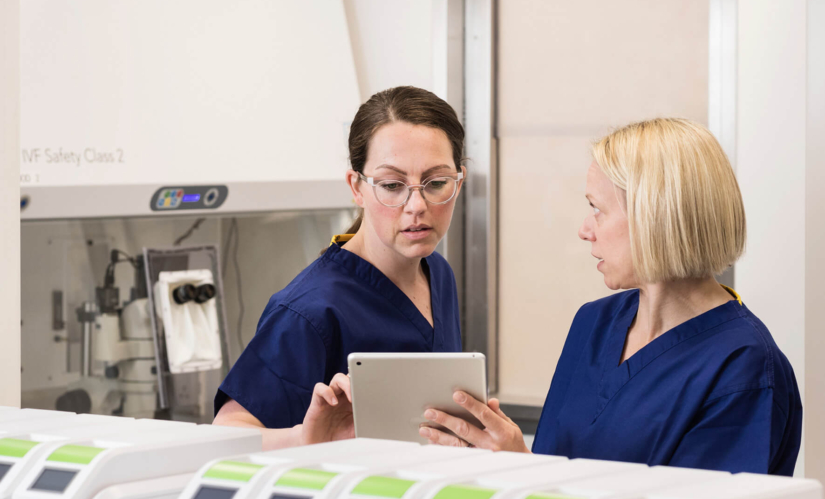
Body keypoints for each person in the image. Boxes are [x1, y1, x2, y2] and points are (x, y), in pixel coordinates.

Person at [418, 118, 802, 475]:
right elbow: (556, 473)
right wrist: (511, 462)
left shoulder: (744, 368)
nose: (585, 230)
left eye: (597, 209)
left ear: (655, 217)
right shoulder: (594, 323)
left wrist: (526, 471)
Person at [213, 86, 467, 449]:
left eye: (436, 182)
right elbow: (226, 433)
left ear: (459, 180)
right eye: (392, 185)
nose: (416, 205)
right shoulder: (310, 312)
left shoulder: (437, 273)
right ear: (356, 187)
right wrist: (310, 437)